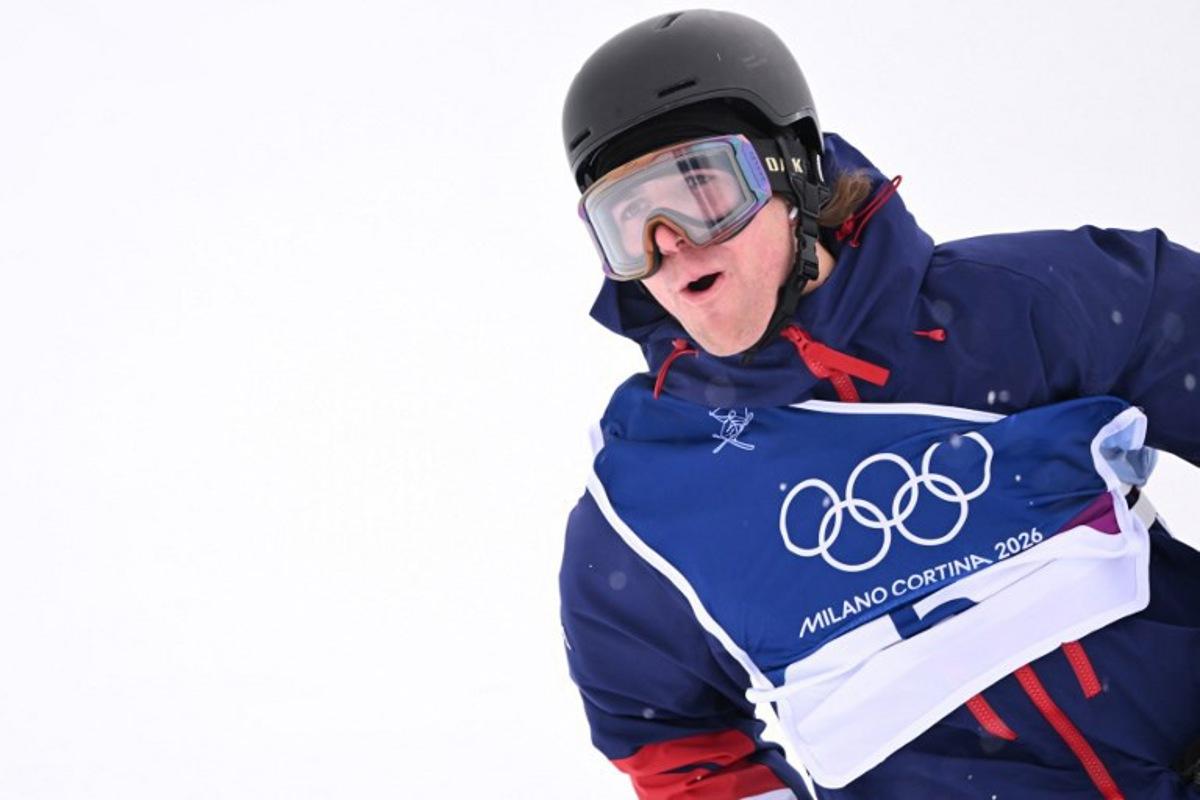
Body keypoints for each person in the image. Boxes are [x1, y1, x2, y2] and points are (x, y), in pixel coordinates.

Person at [557, 9, 1200, 800]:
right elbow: (673, 745)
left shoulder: (1023, 309)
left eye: (701, 189)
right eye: (629, 222)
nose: (671, 240)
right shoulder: (645, 503)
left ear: (791, 171)